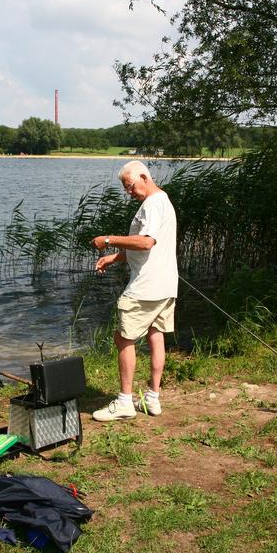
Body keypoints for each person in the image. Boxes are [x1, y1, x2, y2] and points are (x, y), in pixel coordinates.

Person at [90, 161, 178, 421]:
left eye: (130, 186)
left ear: (143, 177)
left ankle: (125, 402)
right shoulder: (163, 200)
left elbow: (146, 242)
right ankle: (152, 399)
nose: (129, 192)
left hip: (145, 288)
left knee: (123, 339)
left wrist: (108, 240)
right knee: (156, 335)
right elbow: (145, 248)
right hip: (165, 284)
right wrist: (114, 258)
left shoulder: (151, 204)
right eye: (126, 189)